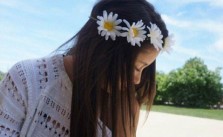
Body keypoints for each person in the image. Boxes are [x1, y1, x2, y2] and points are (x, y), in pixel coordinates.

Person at [0, 0, 174, 136]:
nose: (137, 80)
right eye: (136, 68)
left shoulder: (125, 106)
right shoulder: (27, 79)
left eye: (144, 69)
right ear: (104, 51)